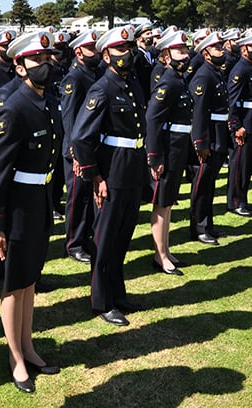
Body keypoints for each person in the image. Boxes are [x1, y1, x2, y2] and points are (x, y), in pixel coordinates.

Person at [0, 31, 62, 394]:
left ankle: (28, 346)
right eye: (37, 60)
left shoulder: (45, 101)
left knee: (30, 280)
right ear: (19, 66)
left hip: (39, 200)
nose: (45, 66)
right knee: (14, 286)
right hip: (16, 207)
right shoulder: (13, 107)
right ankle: (14, 356)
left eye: (48, 60)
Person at [71, 26, 147, 327]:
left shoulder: (131, 84)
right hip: (112, 172)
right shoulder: (102, 89)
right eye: (121, 50)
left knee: (123, 236)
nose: (128, 55)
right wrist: (96, 177)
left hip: (131, 167)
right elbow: (81, 138)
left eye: (130, 49)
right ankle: (102, 301)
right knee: (105, 240)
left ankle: (118, 293)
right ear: (106, 55)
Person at [145, 30, 196, 274]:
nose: (185, 56)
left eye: (186, 51)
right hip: (167, 148)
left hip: (178, 146)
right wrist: (155, 157)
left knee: (168, 204)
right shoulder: (167, 82)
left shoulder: (179, 79)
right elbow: (153, 120)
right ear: (166, 55)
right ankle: (160, 255)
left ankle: (166, 250)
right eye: (180, 52)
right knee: (161, 204)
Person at [60, 29, 102, 264]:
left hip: (92, 147)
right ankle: (73, 243)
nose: (95, 52)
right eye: (91, 49)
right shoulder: (74, 78)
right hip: (77, 150)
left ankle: (87, 239)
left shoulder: (94, 74)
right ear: (78, 52)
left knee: (89, 196)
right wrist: (75, 153)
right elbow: (70, 118)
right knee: (78, 198)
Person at [190, 32, 230, 245]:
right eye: (217, 48)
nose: (221, 51)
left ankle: (208, 225)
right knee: (201, 185)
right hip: (209, 136)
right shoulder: (203, 76)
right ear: (206, 53)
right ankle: (198, 227)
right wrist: (200, 143)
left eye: (221, 47)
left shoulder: (215, 73)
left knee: (210, 184)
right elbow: (199, 112)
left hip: (219, 133)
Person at [226, 31, 252, 218]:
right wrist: (235, 125)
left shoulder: (251, 67)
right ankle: (234, 202)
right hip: (243, 125)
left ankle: (243, 199)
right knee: (239, 165)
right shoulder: (240, 69)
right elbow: (232, 100)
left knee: (247, 165)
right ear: (244, 49)